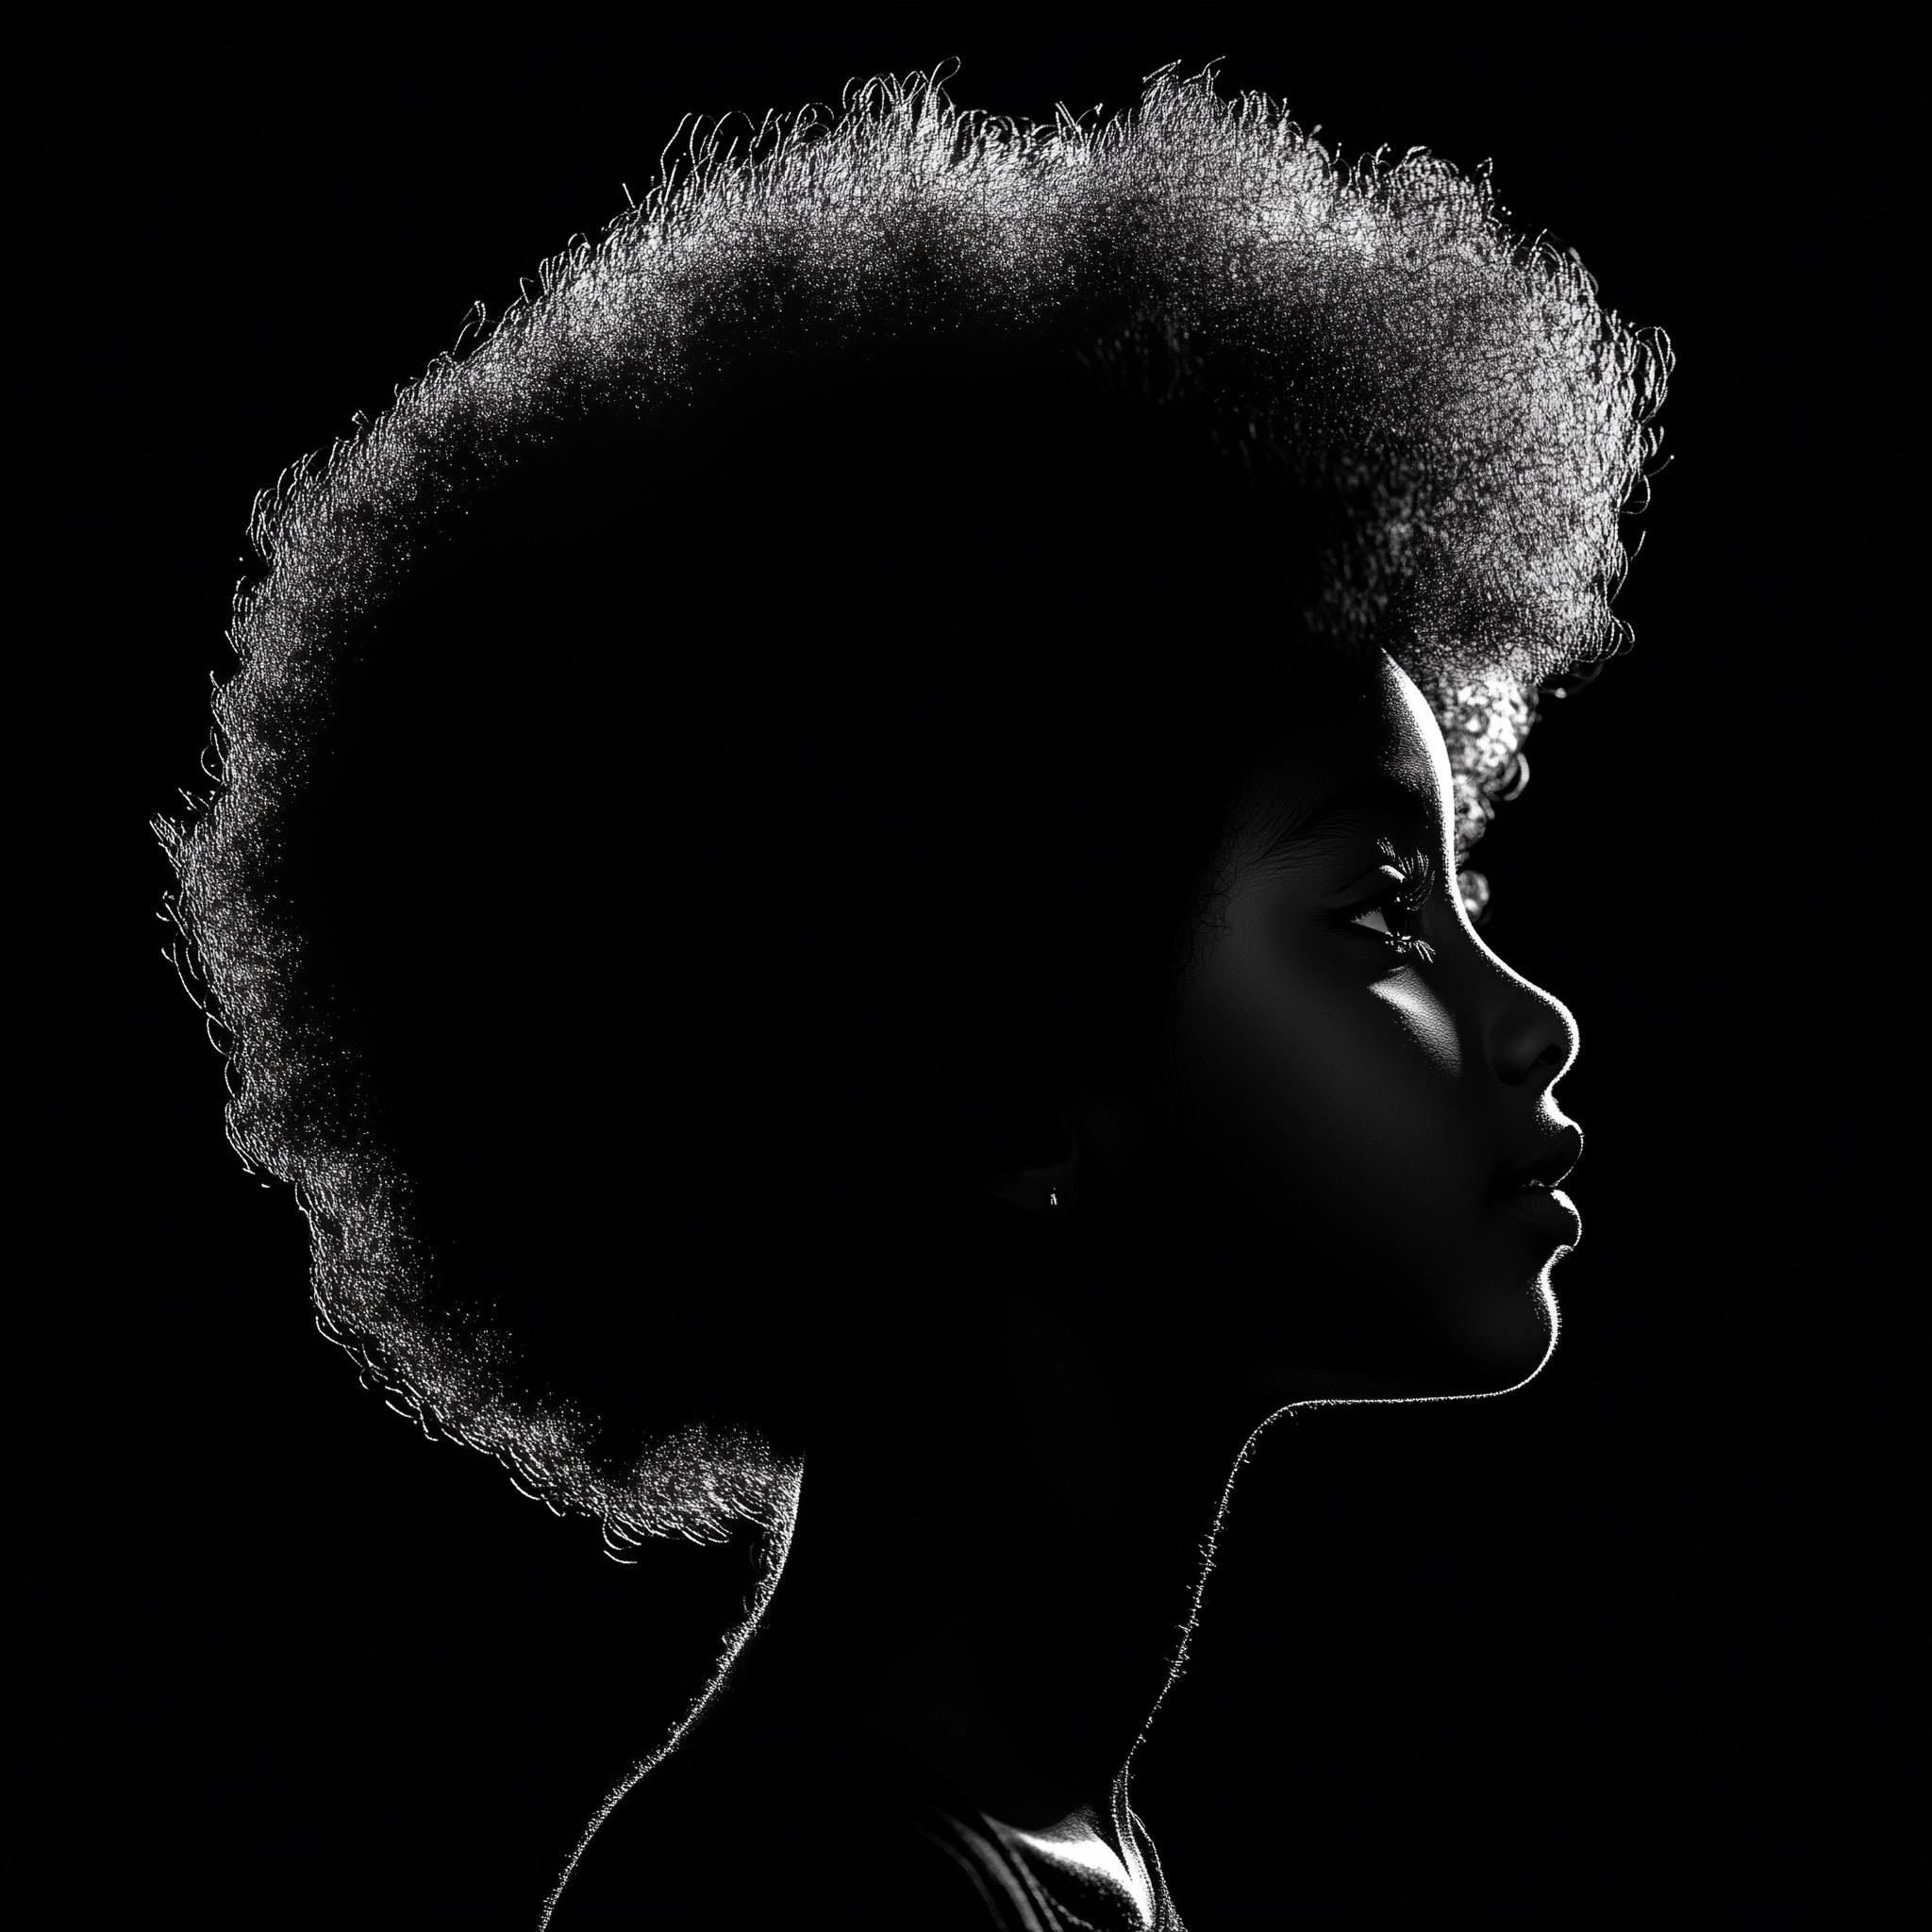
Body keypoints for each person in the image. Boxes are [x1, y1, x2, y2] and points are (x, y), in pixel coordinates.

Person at [160, 68, 1667, 1929]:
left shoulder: (1045, 1846)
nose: (1534, 1015)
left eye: (1466, 887)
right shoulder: (806, 1901)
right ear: (1004, 1068)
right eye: (1374, 908)